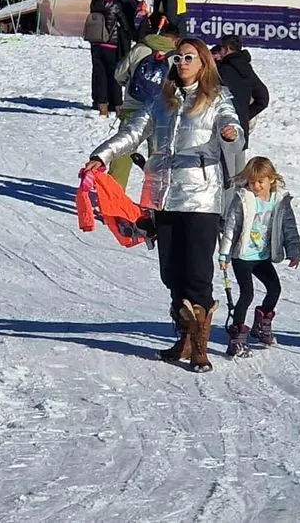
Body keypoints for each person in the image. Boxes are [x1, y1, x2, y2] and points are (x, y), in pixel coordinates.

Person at [83, 39, 243, 373]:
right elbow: (133, 132)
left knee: (198, 273)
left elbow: (232, 122)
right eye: (178, 57)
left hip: (200, 195)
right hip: (162, 195)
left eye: (189, 57)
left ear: (202, 63)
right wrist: (102, 155)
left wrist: (231, 131)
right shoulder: (161, 101)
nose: (182, 62)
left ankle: (200, 347)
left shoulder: (216, 98)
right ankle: (182, 338)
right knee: (171, 272)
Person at [217, 157, 300, 357]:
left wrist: (294, 251)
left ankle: (261, 325)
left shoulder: (280, 200)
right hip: (243, 256)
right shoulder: (243, 198)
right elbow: (231, 226)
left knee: (275, 288)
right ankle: (236, 338)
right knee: (247, 294)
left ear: (271, 180)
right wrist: (224, 253)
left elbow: (289, 226)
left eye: (260, 182)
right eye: (252, 182)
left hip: (263, 256)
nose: (255, 186)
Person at [109, 17, 180, 189]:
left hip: (133, 109)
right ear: (176, 40)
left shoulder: (140, 48)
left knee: (122, 153)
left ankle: (112, 195)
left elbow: (119, 74)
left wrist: (130, 84)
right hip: (161, 112)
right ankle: (156, 197)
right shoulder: (177, 57)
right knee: (158, 156)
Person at [214, 34, 269, 204]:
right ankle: (238, 214)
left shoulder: (221, 71)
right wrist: (244, 116)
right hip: (241, 130)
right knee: (239, 177)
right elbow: (263, 98)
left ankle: (225, 219)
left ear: (226, 49)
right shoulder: (247, 69)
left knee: (226, 178)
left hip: (225, 130)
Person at [84, 0, 131, 117]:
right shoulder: (115, 5)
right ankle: (116, 104)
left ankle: (101, 105)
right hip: (111, 45)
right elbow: (124, 24)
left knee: (99, 74)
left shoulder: (94, 2)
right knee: (114, 75)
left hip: (96, 43)